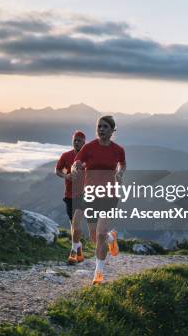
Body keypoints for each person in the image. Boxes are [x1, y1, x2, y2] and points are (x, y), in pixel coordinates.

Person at [71, 115, 126, 284]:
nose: (101, 129)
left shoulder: (118, 149)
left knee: (100, 234)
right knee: (95, 237)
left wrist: (120, 172)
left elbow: (122, 163)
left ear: (112, 130)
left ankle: (98, 274)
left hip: (109, 195)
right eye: (99, 126)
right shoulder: (89, 148)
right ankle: (112, 238)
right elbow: (77, 162)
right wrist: (75, 167)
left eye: (105, 127)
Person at [55, 130, 90, 264]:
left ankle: (73, 252)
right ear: (72, 141)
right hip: (69, 195)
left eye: (79, 140)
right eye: (75, 140)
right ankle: (79, 246)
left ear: (84, 142)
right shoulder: (66, 156)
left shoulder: (88, 159)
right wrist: (66, 176)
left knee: (76, 223)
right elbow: (57, 170)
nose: (77, 142)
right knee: (72, 224)